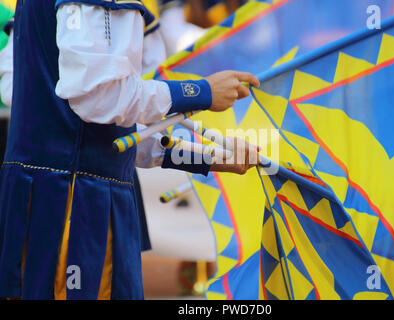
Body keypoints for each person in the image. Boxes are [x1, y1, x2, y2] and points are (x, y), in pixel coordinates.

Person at [0, 0, 259, 300]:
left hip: (42, 197)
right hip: (77, 203)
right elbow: (98, 97)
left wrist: (208, 158)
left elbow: (107, 127)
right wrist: (200, 92)